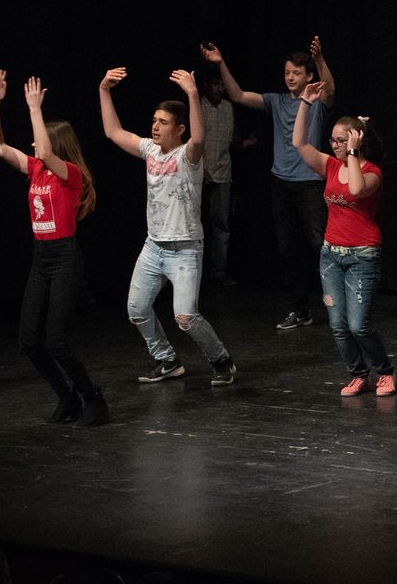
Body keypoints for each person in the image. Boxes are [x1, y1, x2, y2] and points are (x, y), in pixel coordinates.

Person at [99, 66, 237, 386]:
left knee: (185, 317)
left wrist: (192, 93)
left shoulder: (188, 156)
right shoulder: (149, 149)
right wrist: (104, 90)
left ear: (179, 129)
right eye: (154, 120)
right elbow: (113, 131)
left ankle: (221, 360)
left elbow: (199, 138)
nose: (155, 126)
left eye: (163, 122)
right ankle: (167, 360)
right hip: (154, 247)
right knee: (137, 309)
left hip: (185, 249)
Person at [0, 71, 108, 425]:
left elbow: (44, 150)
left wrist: (34, 109)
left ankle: (94, 400)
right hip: (41, 259)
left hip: (65, 259)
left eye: (40, 141)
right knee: (28, 340)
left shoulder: (71, 174)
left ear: (56, 145)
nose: (33, 146)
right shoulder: (36, 170)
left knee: (57, 341)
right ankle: (66, 396)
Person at [198, 38, 336, 330]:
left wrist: (320, 60)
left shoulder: (315, 101)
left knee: (320, 246)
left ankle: (338, 305)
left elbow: (330, 91)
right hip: (281, 183)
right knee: (287, 249)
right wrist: (220, 63)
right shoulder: (276, 101)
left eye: (296, 73)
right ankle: (299, 309)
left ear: (309, 76)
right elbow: (237, 95)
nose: (290, 77)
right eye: (287, 72)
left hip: (310, 183)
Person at [291, 96, 395, 396]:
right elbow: (299, 143)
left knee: (358, 325)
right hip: (331, 256)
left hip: (363, 255)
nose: (335, 145)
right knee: (337, 324)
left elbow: (356, 189)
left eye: (341, 141)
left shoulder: (373, 172)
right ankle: (359, 374)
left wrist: (353, 152)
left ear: (355, 142)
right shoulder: (331, 165)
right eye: (333, 140)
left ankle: (385, 372)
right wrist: (305, 103)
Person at [197, 66, 239, 286]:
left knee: (221, 225)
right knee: (195, 224)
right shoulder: (198, 106)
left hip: (223, 173)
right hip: (198, 174)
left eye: (222, 85)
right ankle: (195, 273)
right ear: (207, 85)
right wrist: (200, 167)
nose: (219, 89)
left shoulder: (228, 108)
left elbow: (231, 140)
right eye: (215, 84)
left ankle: (218, 273)